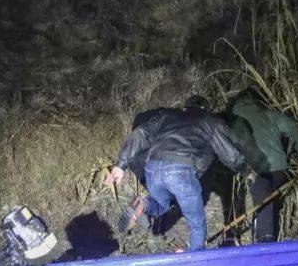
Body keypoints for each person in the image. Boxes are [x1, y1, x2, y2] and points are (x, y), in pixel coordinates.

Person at [102, 96, 248, 251]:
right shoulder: (209, 120)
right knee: (196, 224)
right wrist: (245, 170)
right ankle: (195, 258)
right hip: (181, 170)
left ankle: (142, 203)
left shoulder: (167, 116)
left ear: (186, 106)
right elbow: (230, 154)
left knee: (160, 206)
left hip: (153, 168)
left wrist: (121, 165)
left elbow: (140, 133)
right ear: (206, 108)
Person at [225, 89, 298, 243]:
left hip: (253, 171)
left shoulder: (232, 122)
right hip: (279, 168)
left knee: (263, 203)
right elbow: (294, 127)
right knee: (271, 202)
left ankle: (264, 241)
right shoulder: (269, 115)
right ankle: (270, 236)